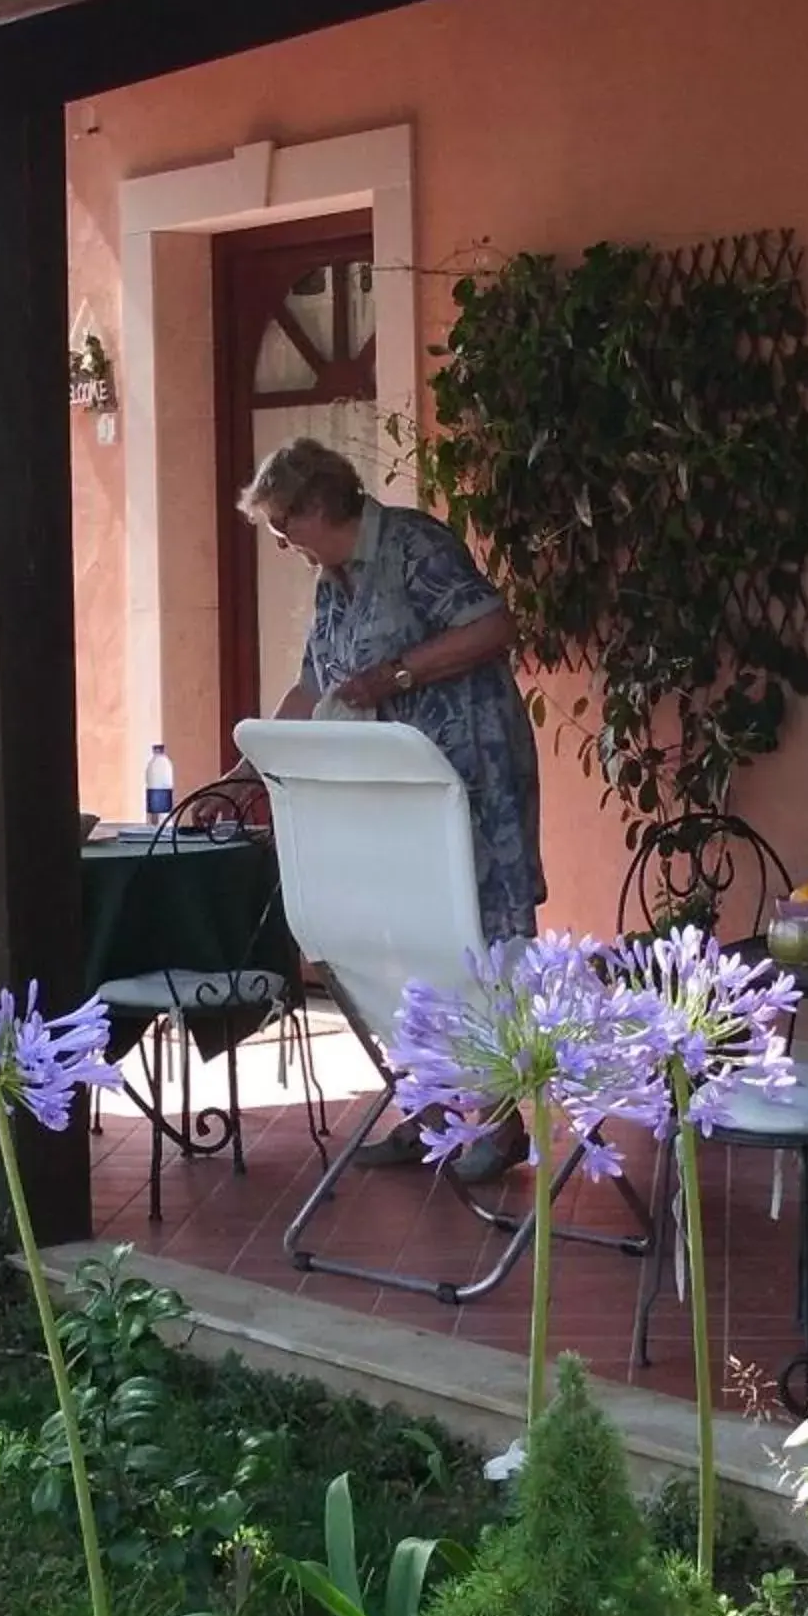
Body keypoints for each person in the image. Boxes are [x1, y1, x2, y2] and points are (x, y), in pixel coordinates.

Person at [236, 437, 542, 1181]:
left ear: (315, 506)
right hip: (395, 796)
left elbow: (495, 626)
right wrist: (248, 768)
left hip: (472, 776)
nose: (280, 542)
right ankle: (431, 1115)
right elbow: (316, 683)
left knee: (480, 942)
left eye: (283, 524)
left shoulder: (413, 547)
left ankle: (502, 1125)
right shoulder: (333, 580)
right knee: (394, 942)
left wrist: (398, 673)